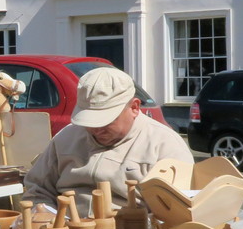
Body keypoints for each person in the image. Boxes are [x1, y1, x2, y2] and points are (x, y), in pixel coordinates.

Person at [23, 67, 193, 219]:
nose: (96, 129)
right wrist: (43, 215)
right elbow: (37, 188)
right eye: (89, 122)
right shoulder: (66, 137)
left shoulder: (165, 145)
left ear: (134, 107)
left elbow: (179, 212)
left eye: (106, 121)